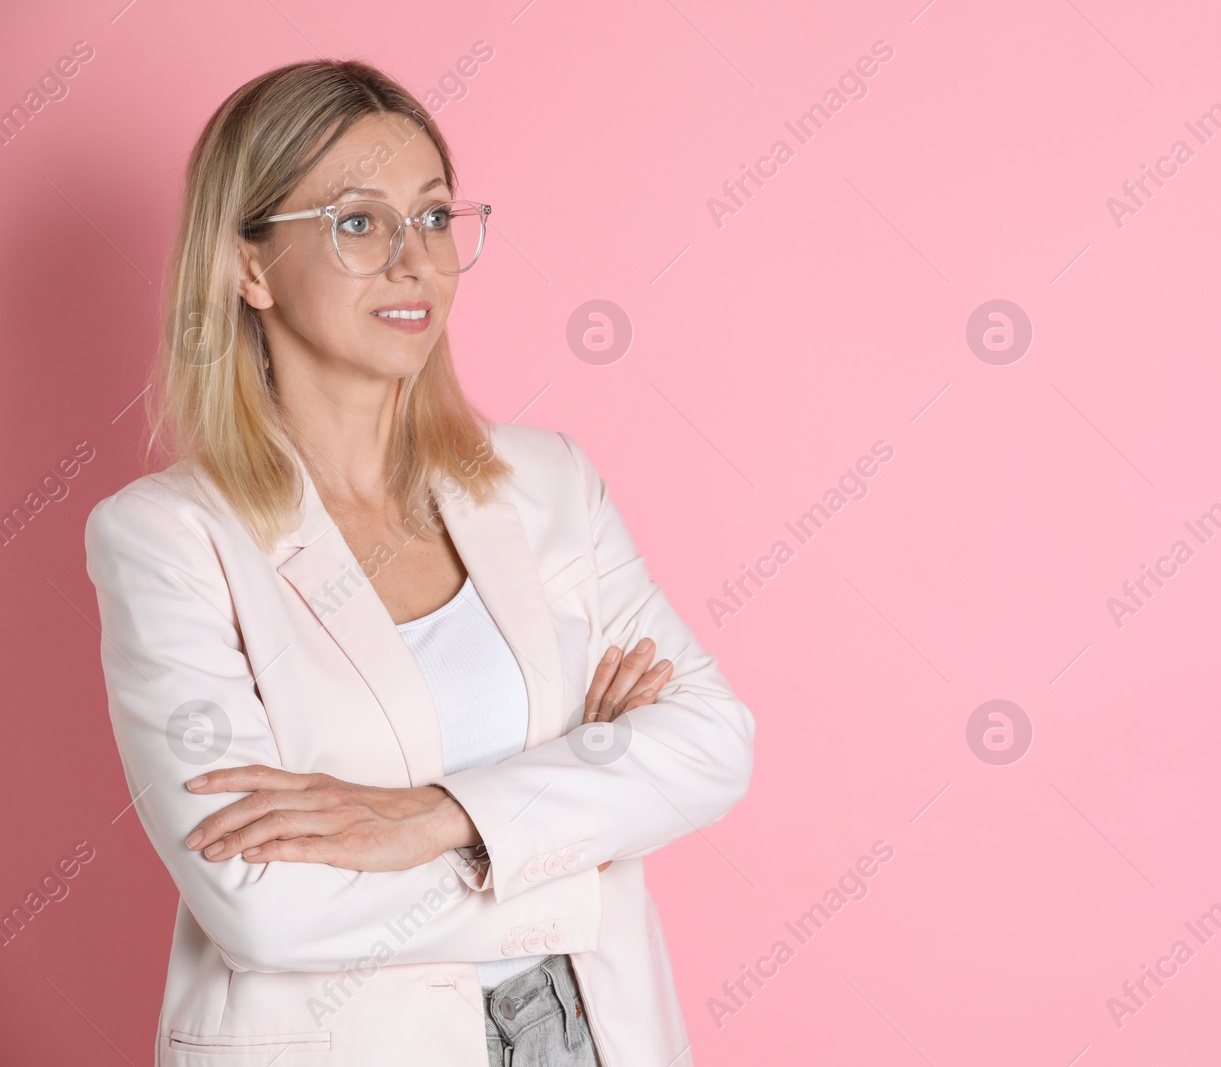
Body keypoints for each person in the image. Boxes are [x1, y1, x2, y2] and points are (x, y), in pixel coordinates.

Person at [82, 58, 755, 1067]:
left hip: (587, 1028)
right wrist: (577, 839)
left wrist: (435, 815)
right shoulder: (168, 541)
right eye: (357, 222)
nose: (416, 261)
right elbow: (266, 908)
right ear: (249, 267)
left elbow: (711, 741)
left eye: (435, 217)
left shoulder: (543, 481)